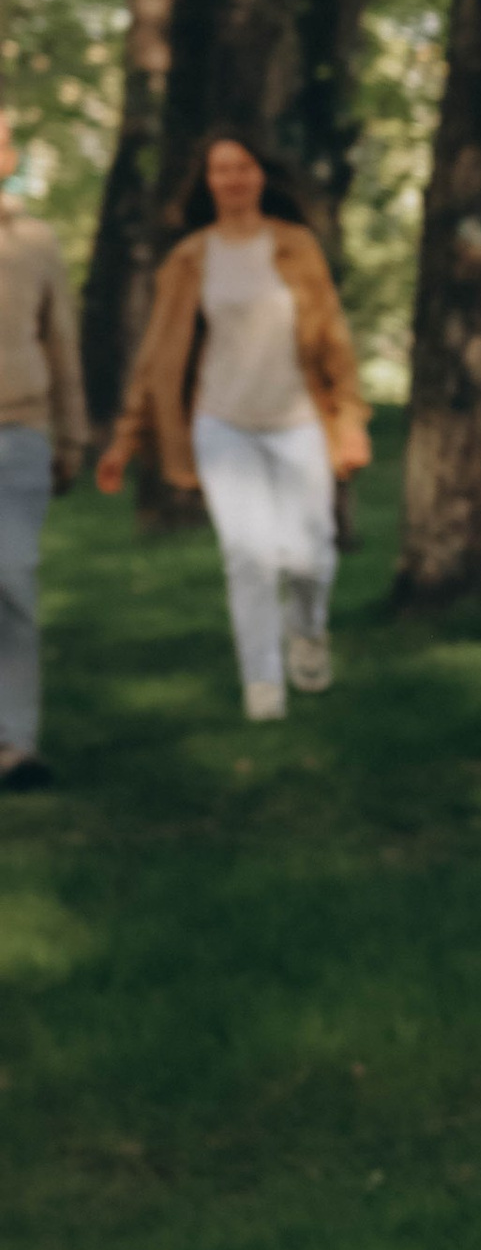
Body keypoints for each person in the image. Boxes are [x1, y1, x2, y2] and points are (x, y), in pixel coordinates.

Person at [96, 135, 370, 722]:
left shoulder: (296, 246)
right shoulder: (190, 258)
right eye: (221, 170)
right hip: (222, 423)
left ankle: (308, 630)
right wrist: (125, 439)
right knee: (246, 556)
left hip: (296, 419)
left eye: (243, 167)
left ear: (260, 175)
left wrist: (350, 420)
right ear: (208, 182)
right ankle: (263, 688)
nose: (233, 179)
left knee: (310, 556)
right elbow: (156, 356)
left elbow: (333, 339)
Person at [0, 107, 87, 792]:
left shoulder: (34, 242)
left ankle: (16, 744)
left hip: (19, 431)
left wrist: (73, 433)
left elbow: (60, 342)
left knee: (13, 578)